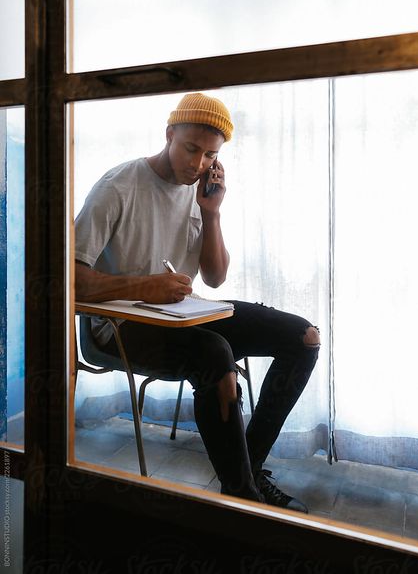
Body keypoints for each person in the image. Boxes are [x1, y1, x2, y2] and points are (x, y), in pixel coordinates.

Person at [75, 92, 321, 512]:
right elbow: (70, 282)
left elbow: (215, 276)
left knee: (304, 337)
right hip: (117, 327)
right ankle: (244, 497)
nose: (198, 163)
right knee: (215, 357)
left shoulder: (200, 192)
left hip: (180, 317)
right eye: (191, 148)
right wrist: (142, 287)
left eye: (210, 155)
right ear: (169, 134)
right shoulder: (119, 186)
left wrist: (212, 214)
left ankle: (248, 469)